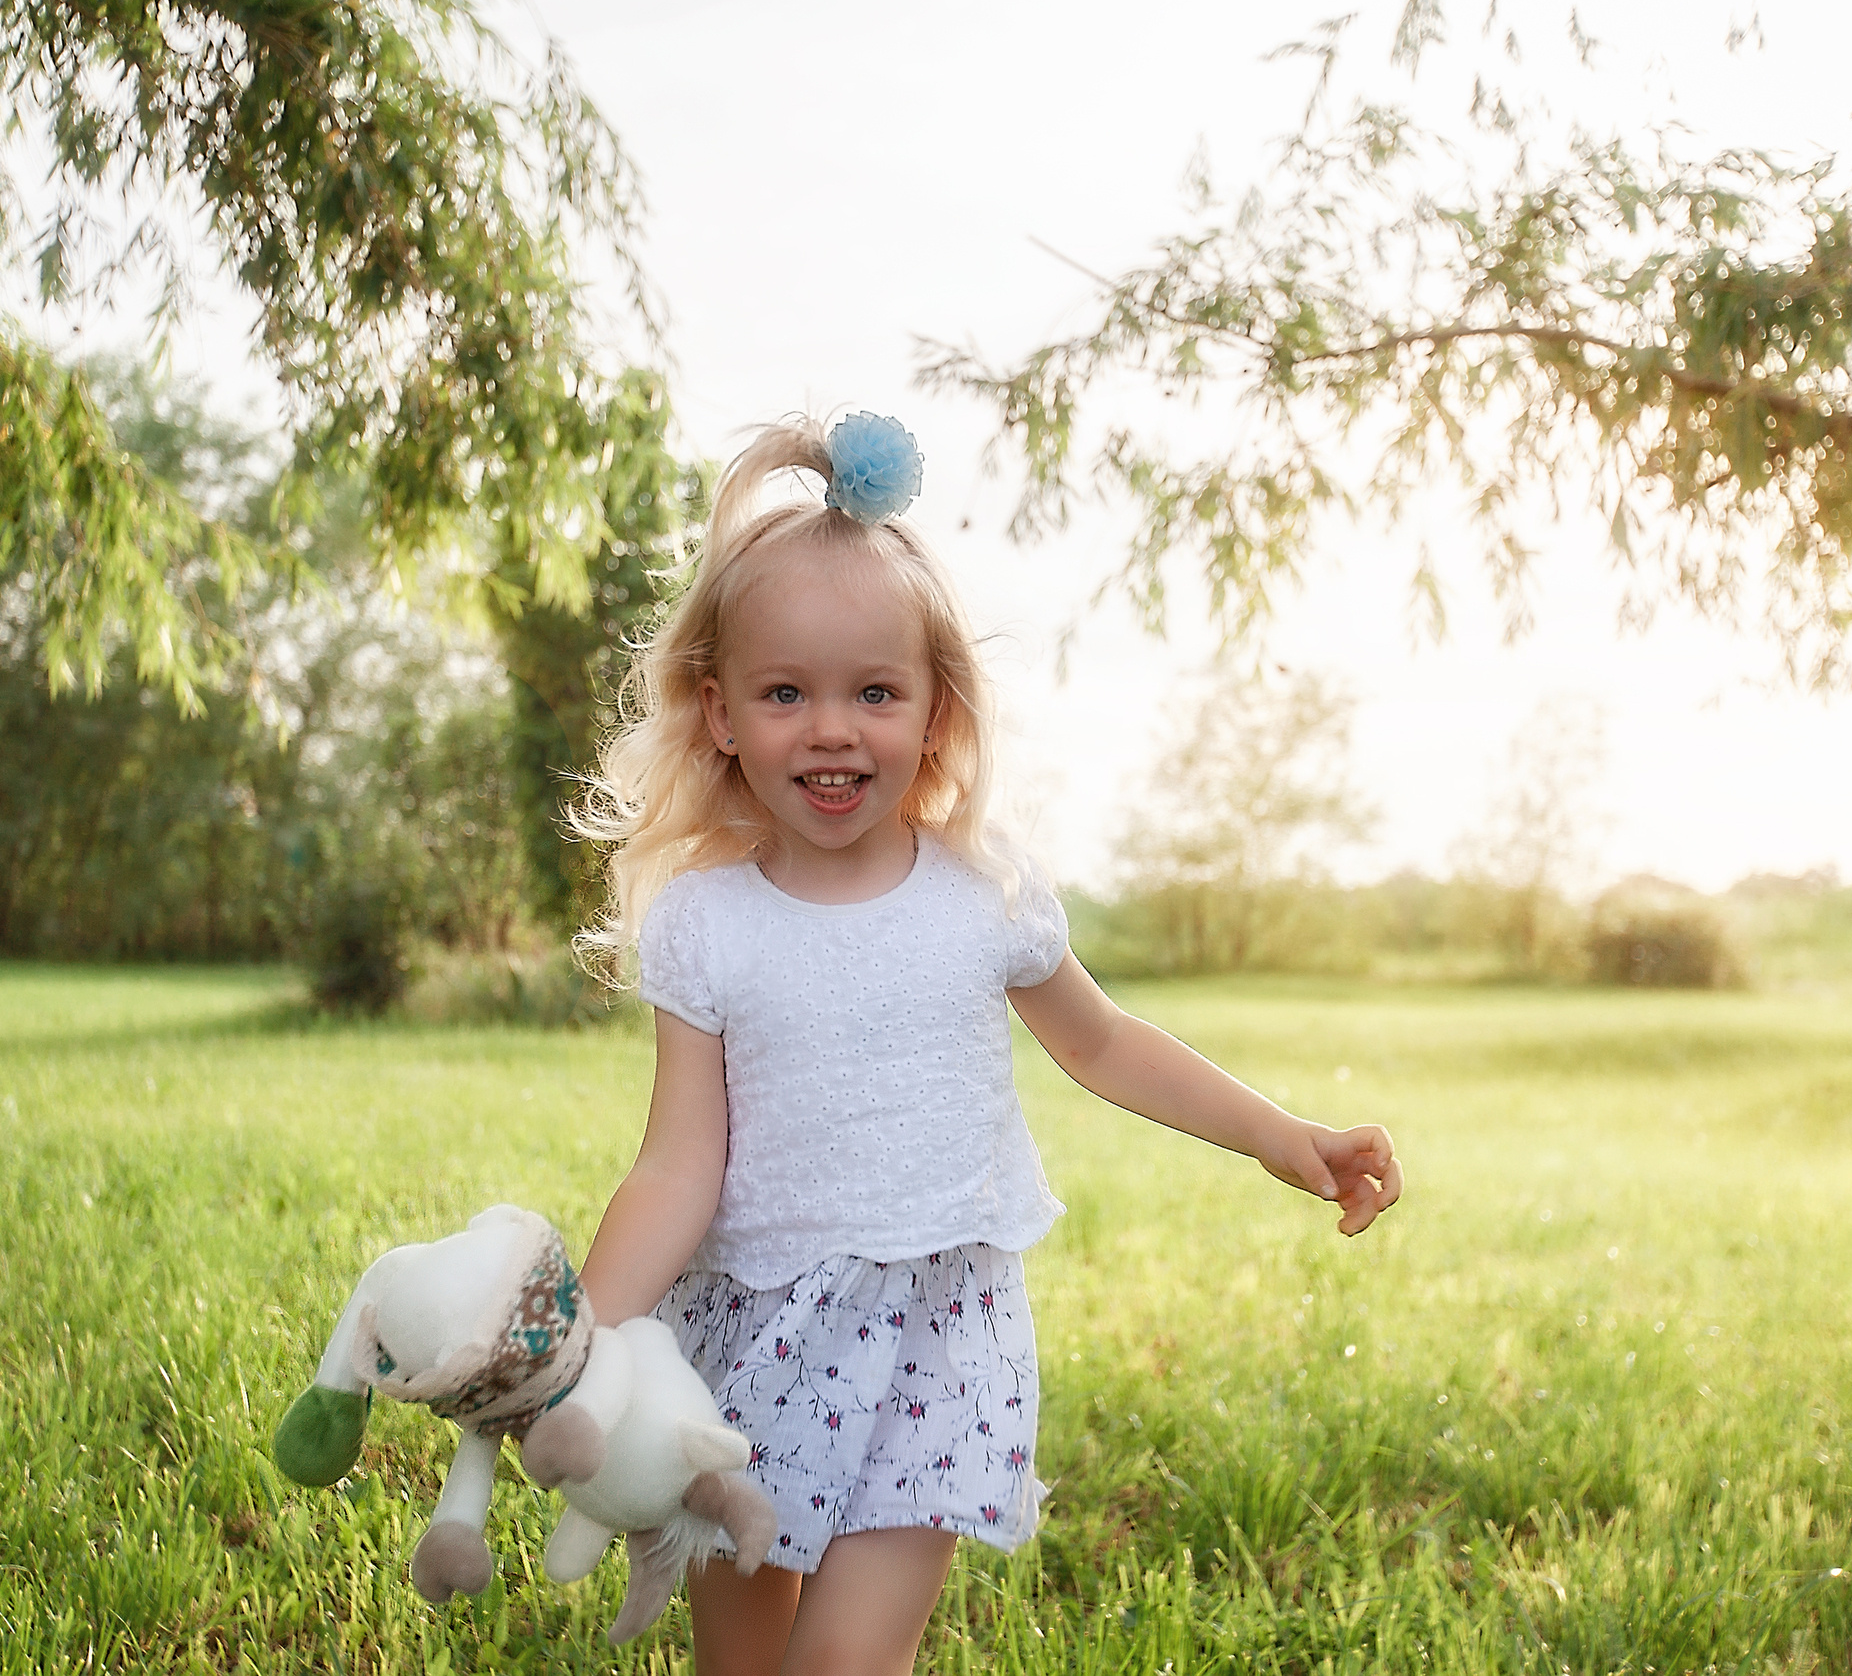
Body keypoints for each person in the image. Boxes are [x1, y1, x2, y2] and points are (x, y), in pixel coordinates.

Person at [572, 412, 1401, 1676]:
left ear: (934, 710)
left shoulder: (981, 893)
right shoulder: (708, 921)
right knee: (742, 1662)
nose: (832, 727)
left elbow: (1104, 1043)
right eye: (786, 692)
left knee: (844, 1663)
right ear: (720, 711)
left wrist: (1277, 1133)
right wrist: (582, 1337)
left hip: (937, 1339)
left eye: (874, 691)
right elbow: (678, 1162)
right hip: (753, 1332)